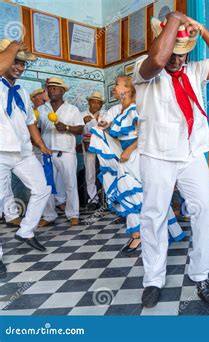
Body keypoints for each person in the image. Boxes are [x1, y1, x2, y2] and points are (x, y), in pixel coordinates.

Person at [133, 11, 209, 308]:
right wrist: (175, 18)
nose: (177, 60)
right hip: (156, 154)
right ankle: (153, 278)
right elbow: (159, 61)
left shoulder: (195, 70)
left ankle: (201, 273)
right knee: (153, 216)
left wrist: (200, 29)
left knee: (205, 210)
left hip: (190, 154)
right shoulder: (143, 68)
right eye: (174, 52)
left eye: (182, 54)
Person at [89, 75, 184, 253]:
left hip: (136, 157)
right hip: (128, 158)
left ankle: (143, 235)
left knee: (136, 195)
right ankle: (143, 234)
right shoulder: (122, 111)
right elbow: (120, 134)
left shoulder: (134, 109)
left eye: (117, 85)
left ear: (127, 89)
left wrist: (129, 150)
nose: (114, 88)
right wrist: (105, 128)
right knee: (136, 196)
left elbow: (146, 134)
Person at [0, 39, 53, 277]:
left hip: (22, 152)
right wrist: (11, 47)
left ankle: (26, 230)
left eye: (23, 64)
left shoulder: (21, 91)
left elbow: (30, 123)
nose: (20, 68)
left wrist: (41, 146)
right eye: (16, 62)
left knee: (42, 188)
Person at [37, 78, 84, 226]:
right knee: (47, 186)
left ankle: (73, 214)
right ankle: (49, 215)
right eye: (49, 88)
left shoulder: (72, 109)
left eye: (55, 88)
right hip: (47, 152)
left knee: (70, 184)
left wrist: (68, 128)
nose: (51, 90)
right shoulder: (41, 110)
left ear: (63, 91)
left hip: (66, 152)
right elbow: (36, 130)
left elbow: (80, 129)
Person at [82, 91, 105, 210]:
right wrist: (83, 122)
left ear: (101, 105)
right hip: (88, 146)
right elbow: (79, 130)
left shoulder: (105, 115)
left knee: (106, 171)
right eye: (93, 102)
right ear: (89, 103)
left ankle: (107, 199)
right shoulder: (82, 115)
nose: (95, 105)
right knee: (90, 173)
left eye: (98, 103)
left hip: (102, 147)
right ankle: (93, 200)